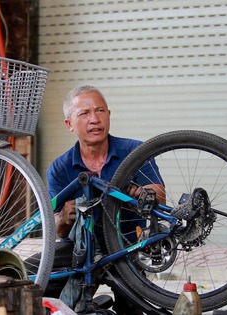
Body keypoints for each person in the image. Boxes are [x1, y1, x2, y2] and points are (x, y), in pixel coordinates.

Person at [46, 85, 164, 315]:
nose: (94, 120)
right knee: (35, 280)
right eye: (84, 113)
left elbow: (159, 194)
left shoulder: (134, 151)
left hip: (126, 245)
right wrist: (64, 217)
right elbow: (58, 230)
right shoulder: (59, 169)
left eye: (100, 111)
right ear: (69, 124)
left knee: (133, 306)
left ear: (109, 115)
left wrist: (137, 193)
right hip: (80, 249)